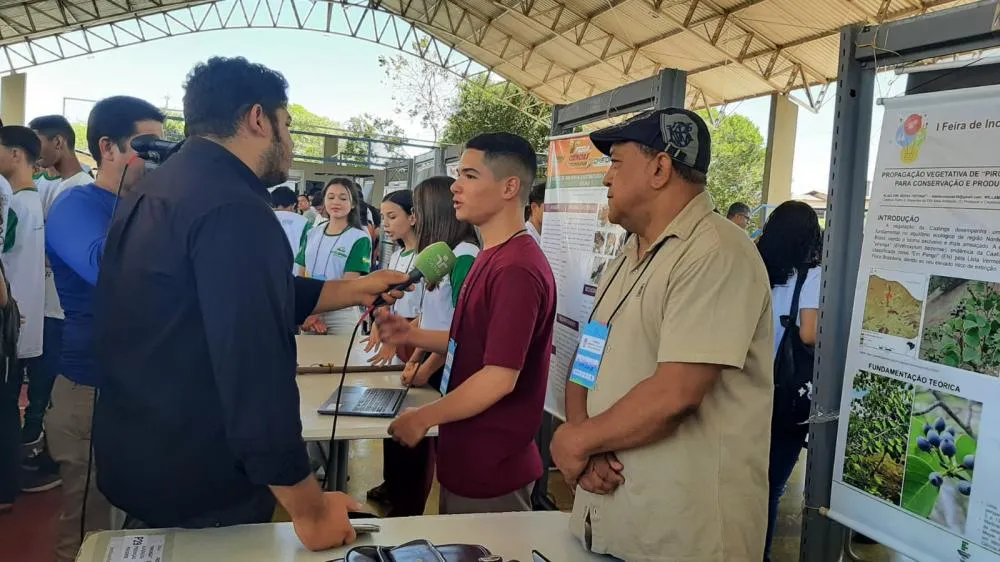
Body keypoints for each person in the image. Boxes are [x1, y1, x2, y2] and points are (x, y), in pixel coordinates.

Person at [92, 57, 410, 551]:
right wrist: (309, 508)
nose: (289, 140)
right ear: (259, 118)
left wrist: (352, 289)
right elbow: (252, 368)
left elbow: (216, 298)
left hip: (142, 455)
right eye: (287, 125)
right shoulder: (235, 207)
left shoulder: (158, 187)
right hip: (203, 480)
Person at [549, 108, 774, 561]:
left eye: (615, 162)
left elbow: (677, 394)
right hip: (614, 520)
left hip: (683, 537)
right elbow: (587, 360)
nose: (607, 179)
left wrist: (577, 442)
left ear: (660, 168)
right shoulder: (626, 255)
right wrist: (581, 435)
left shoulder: (716, 252)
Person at [378, 133, 556, 515]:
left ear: (510, 187)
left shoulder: (516, 269)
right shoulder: (491, 256)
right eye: (458, 174)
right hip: (467, 453)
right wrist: (412, 334)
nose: (456, 186)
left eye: (470, 176)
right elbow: (471, 342)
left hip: (494, 463)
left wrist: (423, 417)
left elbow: (498, 376)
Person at [45, 96, 165, 562]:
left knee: (138, 520)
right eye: (145, 144)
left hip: (143, 388)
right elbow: (106, 267)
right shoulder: (77, 205)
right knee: (88, 530)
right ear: (107, 147)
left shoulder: (151, 207)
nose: (155, 156)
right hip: (91, 391)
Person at [366, 176, 479, 517]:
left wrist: (425, 366)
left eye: (420, 209)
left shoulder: (464, 256)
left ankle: (407, 514)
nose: (416, 217)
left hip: (449, 370)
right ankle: (399, 500)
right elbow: (431, 317)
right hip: (428, 362)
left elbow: (462, 331)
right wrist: (414, 360)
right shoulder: (440, 256)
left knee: (422, 448)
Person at [756, 200, 822, 562]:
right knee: (771, 486)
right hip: (784, 393)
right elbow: (809, 334)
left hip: (747, 385)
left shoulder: (756, 265)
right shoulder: (812, 275)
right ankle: (758, 555)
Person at [22, 115, 93, 451]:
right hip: (48, 304)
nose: (35, 152)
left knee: (52, 381)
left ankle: (48, 448)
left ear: (59, 143)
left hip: (63, 309)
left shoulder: (80, 188)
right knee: (41, 378)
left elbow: (63, 253)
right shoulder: (55, 185)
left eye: (39, 143)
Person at [0, 126, 61, 492]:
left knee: (7, 405)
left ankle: (7, 483)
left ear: (17, 154)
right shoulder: (32, 199)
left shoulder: (16, 204)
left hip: (10, 321)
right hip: (21, 320)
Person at [296, 178, 372, 335]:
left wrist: (314, 312)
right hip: (310, 311)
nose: (336, 202)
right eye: (330, 197)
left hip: (341, 314)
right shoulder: (312, 232)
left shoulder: (359, 238)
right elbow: (301, 272)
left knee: (342, 359)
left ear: (353, 204)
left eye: (343, 198)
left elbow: (349, 283)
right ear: (324, 201)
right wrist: (304, 310)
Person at [364, 188, 421, 368]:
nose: (385, 224)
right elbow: (389, 299)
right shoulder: (396, 255)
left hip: (417, 337)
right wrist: (379, 322)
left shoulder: (426, 257)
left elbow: (427, 311)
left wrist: (395, 339)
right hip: (396, 335)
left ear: (412, 217)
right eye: (383, 217)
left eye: (392, 217)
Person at [271, 185, 310, 261]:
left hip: (268, 267)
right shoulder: (304, 221)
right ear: (294, 204)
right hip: (294, 268)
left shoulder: (264, 218)